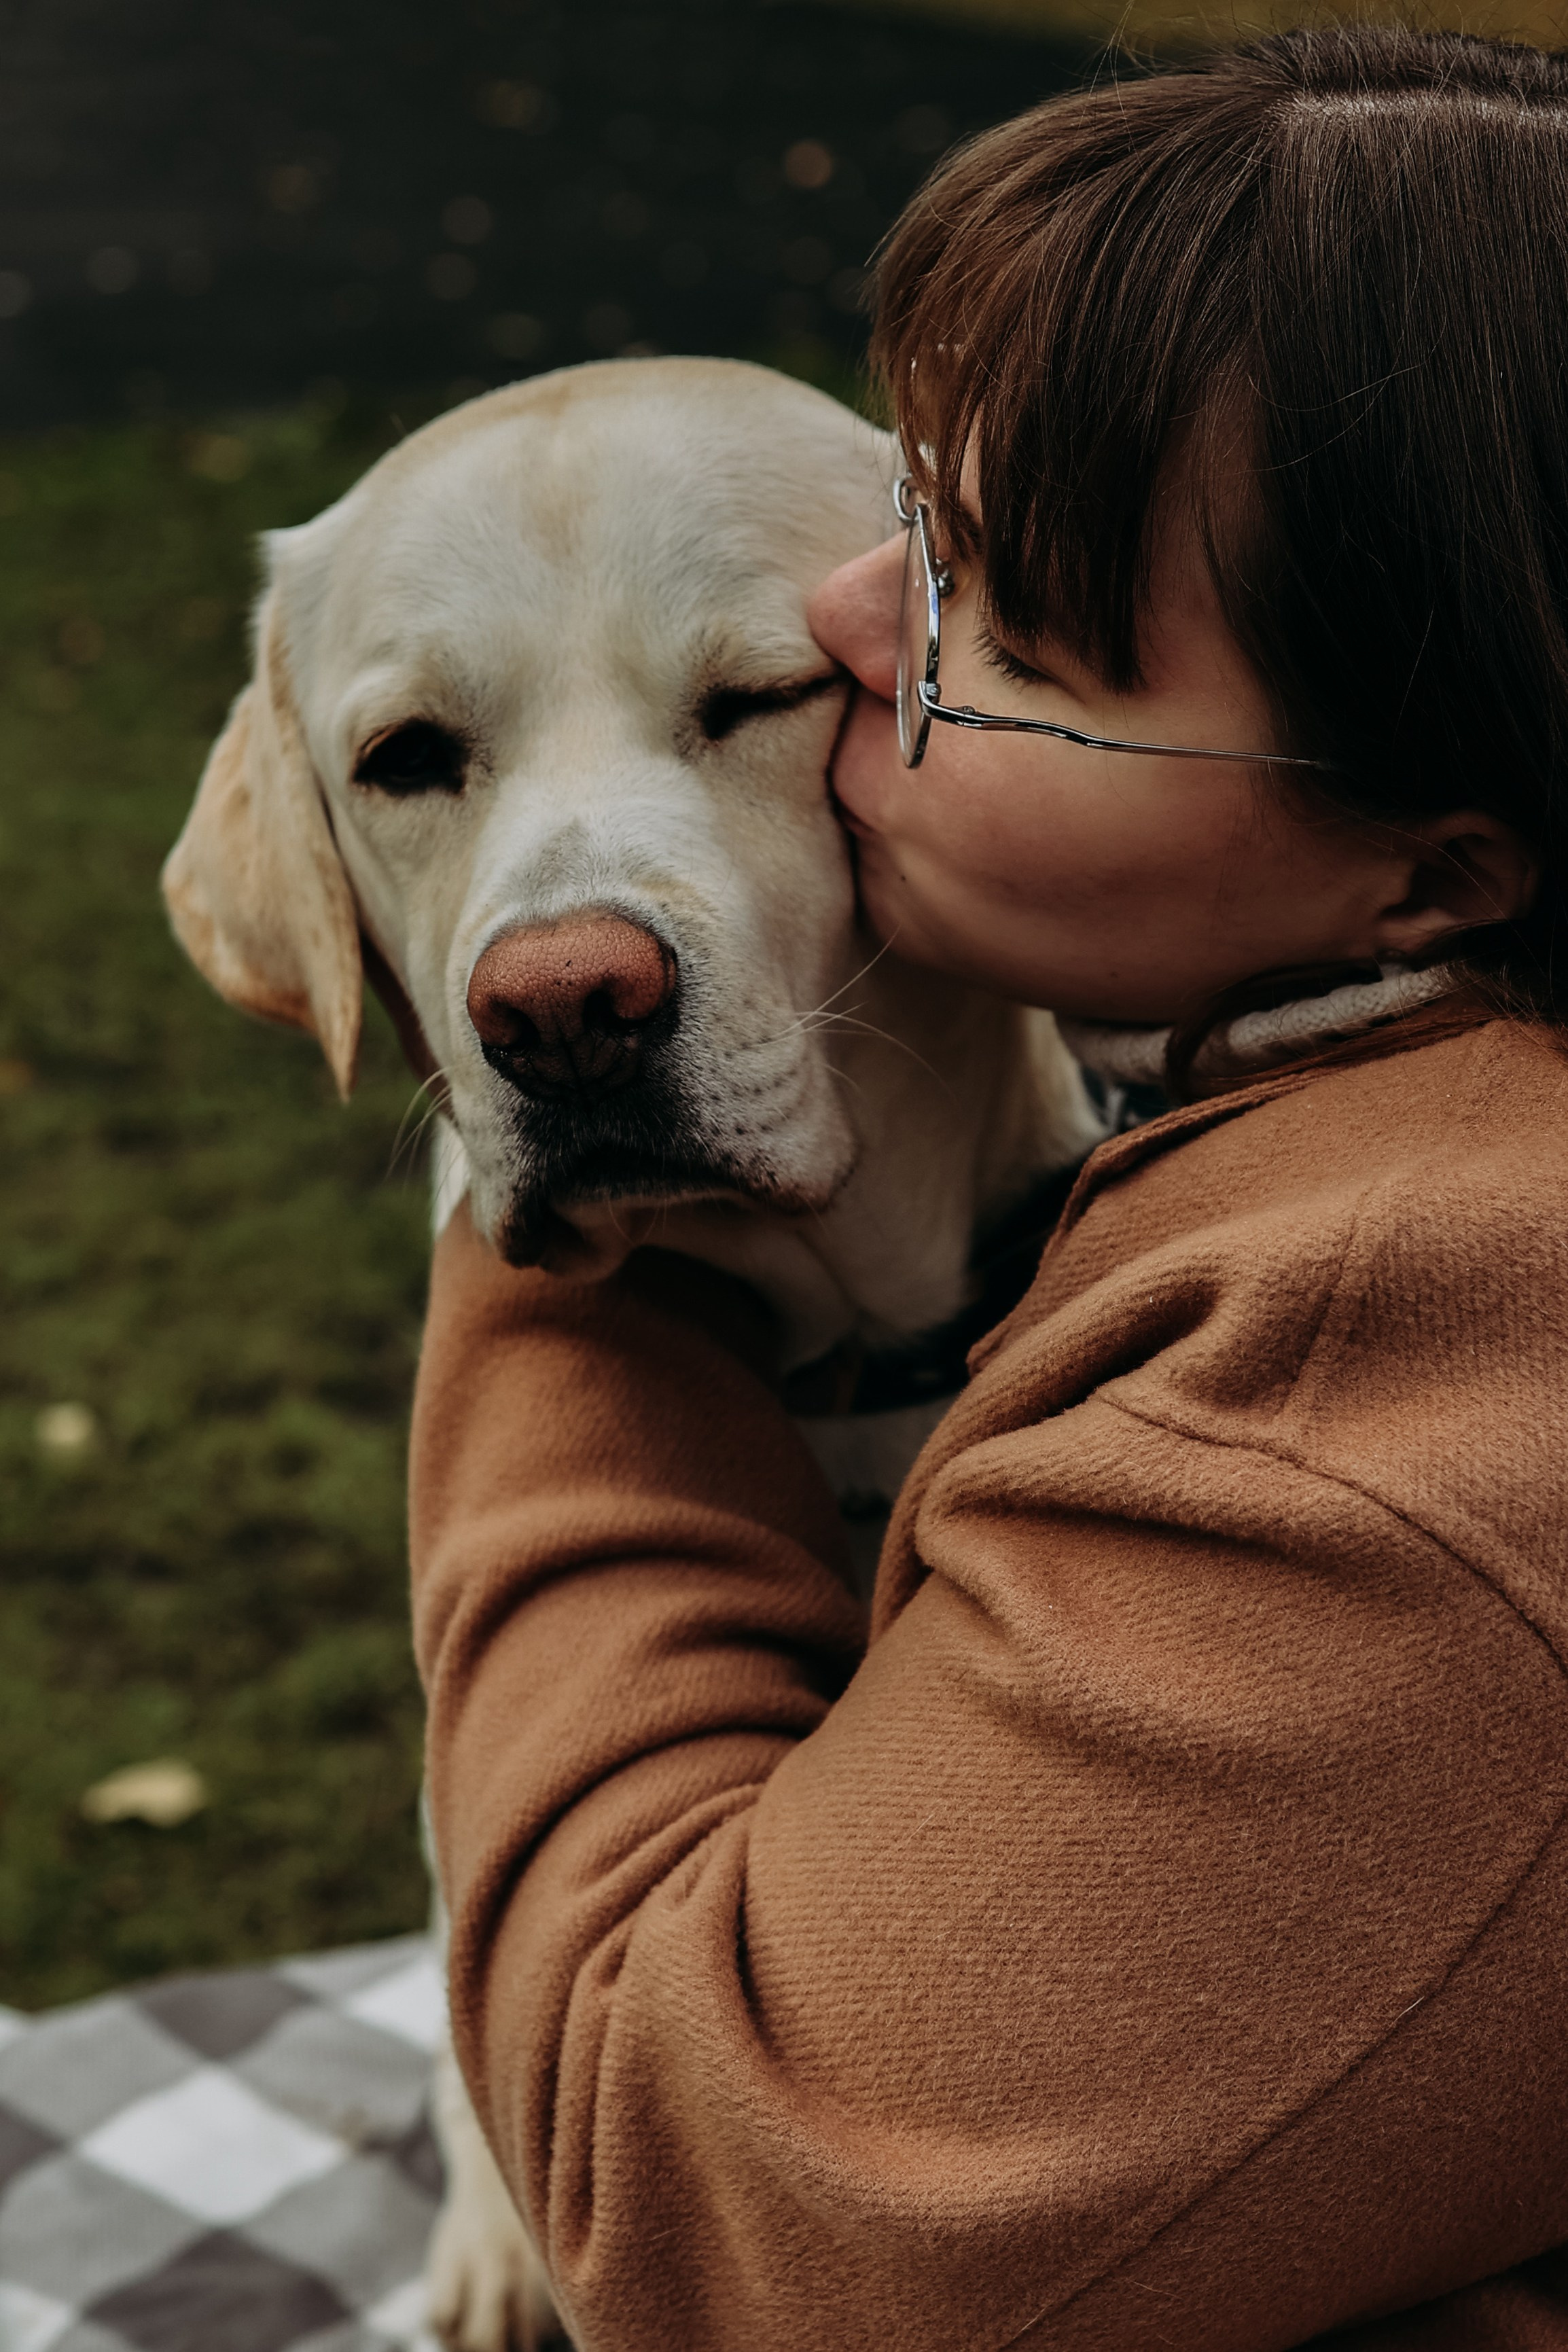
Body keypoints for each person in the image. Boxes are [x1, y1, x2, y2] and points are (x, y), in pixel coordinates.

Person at [411, 26, 1568, 2348]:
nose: (846, 630)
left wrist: (551, 1260)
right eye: (914, 528)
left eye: (999, 627)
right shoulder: (1341, 1111)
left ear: (1426, 870)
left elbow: (711, 2213)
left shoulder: (1370, 1387)